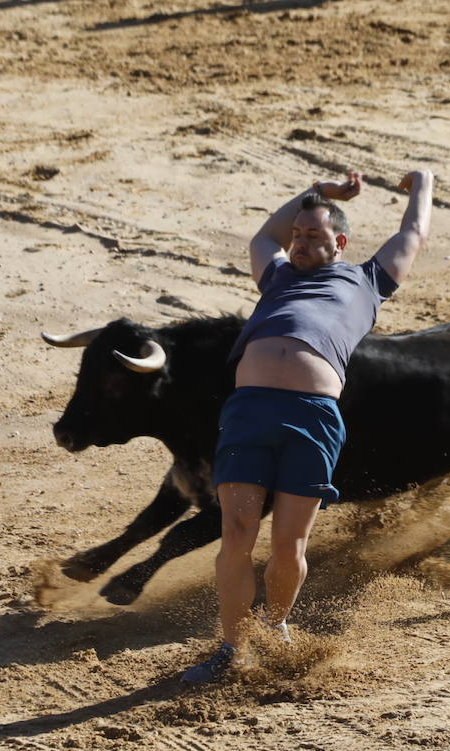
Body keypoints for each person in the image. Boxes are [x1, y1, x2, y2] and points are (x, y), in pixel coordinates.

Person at [181, 168, 434, 685]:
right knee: (236, 534)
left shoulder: (367, 280)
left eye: (312, 235)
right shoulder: (276, 276)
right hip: (249, 411)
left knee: (287, 545)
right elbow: (262, 237)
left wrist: (423, 184)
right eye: (297, 235)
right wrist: (316, 194)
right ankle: (232, 649)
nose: (298, 243)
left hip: (312, 419)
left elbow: (413, 235)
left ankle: (277, 629)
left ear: (339, 242)